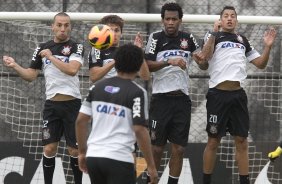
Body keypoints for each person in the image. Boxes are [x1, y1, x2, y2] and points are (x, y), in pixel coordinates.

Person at [193, 6, 277, 184]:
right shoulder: (213, 36)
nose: (229, 19)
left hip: (238, 97)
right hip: (217, 96)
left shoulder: (242, 40)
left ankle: (244, 181)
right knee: (213, 142)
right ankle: (206, 181)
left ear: (236, 21)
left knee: (242, 141)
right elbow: (204, 60)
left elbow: (260, 64)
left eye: (232, 16)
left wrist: (267, 47)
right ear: (221, 20)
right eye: (226, 16)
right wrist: (214, 34)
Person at [3, 12, 84, 184]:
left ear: (70, 27)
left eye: (66, 25)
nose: (63, 28)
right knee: (49, 148)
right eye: (59, 25)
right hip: (51, 106)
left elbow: (72, 70)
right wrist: (15, 65)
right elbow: (31, 76)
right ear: (52, 27)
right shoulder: (42, 48)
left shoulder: (76, 47)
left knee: (74, 151)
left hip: (72, 105)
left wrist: (51, 57)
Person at [75, 44, 158, 184]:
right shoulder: (137, 92)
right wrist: (151, 166)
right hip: (119, 158)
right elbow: (139, 129)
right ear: (139, 65)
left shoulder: (97, 87)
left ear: (116, 63)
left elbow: (80, 121)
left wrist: (82, 152)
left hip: (94, 157)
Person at [144, 2, 202, 184]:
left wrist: (203, 57)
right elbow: (147, 66)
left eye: (174, 19)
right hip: (160, 100)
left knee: (178, 149)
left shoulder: (189, 38)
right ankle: (151, 181)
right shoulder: (155, 38)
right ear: (162, 20)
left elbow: (203, 63)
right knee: (157, 149)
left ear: (180, 21)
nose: (170, 22)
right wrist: (169, 61)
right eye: (167, 19)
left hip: (181, 101)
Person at [88, 14, 150, 83]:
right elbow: (94, 76)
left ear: (121, 33)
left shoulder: (126, 51)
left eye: (116, 30)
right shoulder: (97, 49)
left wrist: (138, 51)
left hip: (124, 92)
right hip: (104, 92)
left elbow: (145, 77)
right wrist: (118, 59)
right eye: (110, 30)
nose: (114, 34)